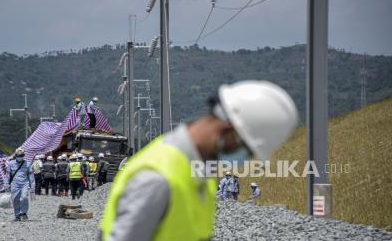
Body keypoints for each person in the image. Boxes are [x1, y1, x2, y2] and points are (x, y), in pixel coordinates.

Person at [99, 80, 298, 240]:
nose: (243, 161)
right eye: (246, 151)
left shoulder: (199, 173)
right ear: (228, 131)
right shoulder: (158, 178)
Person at [6, 148, 35, 222]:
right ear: (15, 155)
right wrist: (6, 184)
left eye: (21, 155)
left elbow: (31, 176)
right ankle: (17, 215)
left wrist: (32, 186)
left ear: (24, 155)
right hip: (15, 184)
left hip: (25, 184)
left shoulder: (28, 164)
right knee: (15, 199)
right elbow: (8, 175)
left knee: (24, 197)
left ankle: (24, 213)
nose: (20, 157)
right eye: (18, 155)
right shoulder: (11, 163)